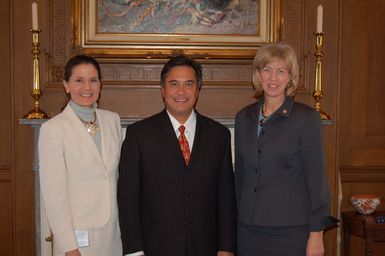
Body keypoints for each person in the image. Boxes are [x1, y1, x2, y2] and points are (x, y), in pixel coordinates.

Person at [118, 55, 236, 256]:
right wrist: (134, 251)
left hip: (205, 247)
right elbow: (128, 198)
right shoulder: (139, 135)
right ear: (163, 91)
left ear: (197, 91)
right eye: (174, 84)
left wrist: (226, 248)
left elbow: (226, 198)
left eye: (188, 84)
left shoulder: (219, 135)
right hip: (155, 247)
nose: (181, 92)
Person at [234, 43, 337, 256]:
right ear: (258, 74)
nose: (273, 78)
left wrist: (316, 234)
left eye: (281, 71)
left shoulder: (306, 119)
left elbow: (316, 181)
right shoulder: (243, 118)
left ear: (290, 77)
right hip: (248, 231)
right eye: (267, 70)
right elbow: (240, 177)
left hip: (290, 233)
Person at [38, 55, 123, 256]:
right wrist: (69, 247)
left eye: (93, 80)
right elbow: (54, 197)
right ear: (66, 85)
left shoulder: (112, 120)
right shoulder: (54, 129)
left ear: (100, 85)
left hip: (112, 234)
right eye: (79, 80)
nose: (87, 87)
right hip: (77, 239)